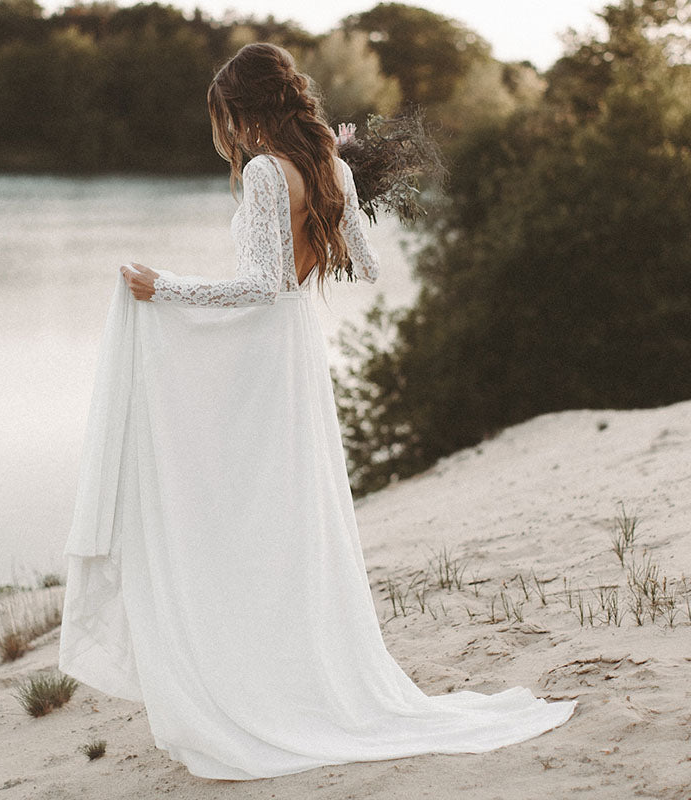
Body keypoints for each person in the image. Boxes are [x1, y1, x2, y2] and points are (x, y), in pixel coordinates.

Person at [58, 42, 577, 781]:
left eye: (228, 116)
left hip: (262, 353)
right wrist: (334, 191)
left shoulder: (269, 173)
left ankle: (258, 677)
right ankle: (282, 660)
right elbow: (360, 265)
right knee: (282, 504)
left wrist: (164, 287)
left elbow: (262, 286)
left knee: (235, 500)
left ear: (247, 109)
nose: (228, 133)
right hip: (297, 349)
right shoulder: (327, 168)